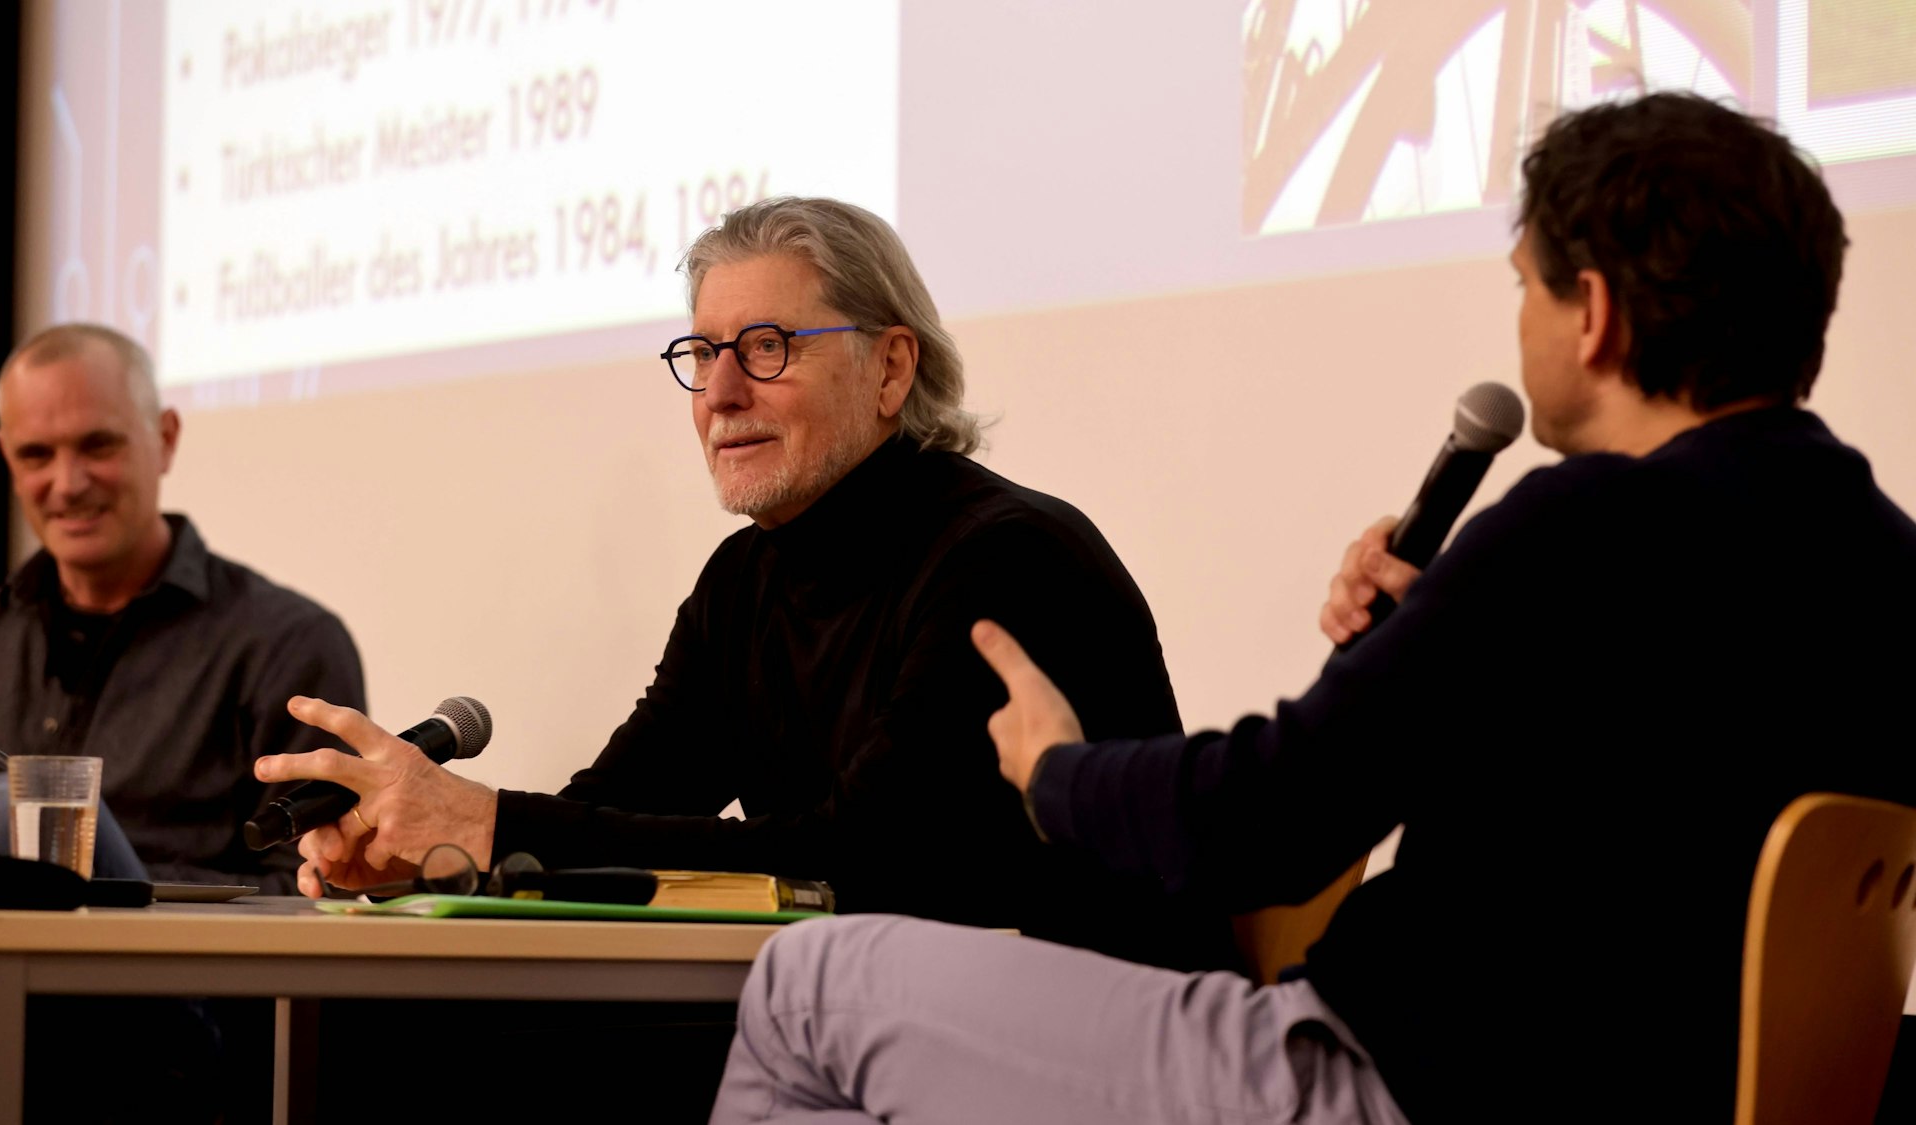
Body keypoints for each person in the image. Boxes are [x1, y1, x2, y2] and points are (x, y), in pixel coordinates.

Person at [705, 94, 1916, 1124]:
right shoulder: (1882, 558)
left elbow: (1268, 826)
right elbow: (1637, 813)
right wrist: (1435, 639)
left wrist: (1057, 772)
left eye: (1525, 288)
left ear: (1590, 313)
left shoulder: (1573, 528)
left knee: (806, 988)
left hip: (1381, 1087)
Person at [263, 197, 1238, 970]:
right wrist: (440, 857)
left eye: (766, 348)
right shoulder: (746, 576)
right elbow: (620, 806)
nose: (721, 392)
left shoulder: (1005, 558)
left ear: (891, 369)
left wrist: (490, 826)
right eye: (702, 354)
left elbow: (859, 863)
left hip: (1075, 1031)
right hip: (859, 1010)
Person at [0, 322, 366, 893]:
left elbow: (316, 891)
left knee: (9, 806)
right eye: (36, 455)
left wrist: (106, 884)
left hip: (169, 980)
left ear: (167, 438)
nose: (68, 482)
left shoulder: (287, 649)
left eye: (98, 445)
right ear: (7, 457)